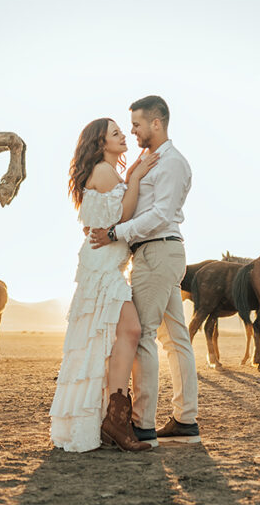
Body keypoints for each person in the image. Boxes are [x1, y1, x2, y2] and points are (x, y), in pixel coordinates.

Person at [89, 95, 199, 446]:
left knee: (145, 336)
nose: (132, 130)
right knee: (175, 338)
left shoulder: (172, 163)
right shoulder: (151, 160)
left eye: (136, 124)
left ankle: (143, 424)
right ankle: (185, 421)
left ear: (156, 122)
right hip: (160, 252)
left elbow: (160, 215)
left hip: (156, 252)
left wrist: (115, 233)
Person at [50, 117, 161, 452]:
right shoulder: (104, 170)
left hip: (104, 264)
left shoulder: (105, 172)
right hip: (102, 269)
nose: (123, 135)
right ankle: (116, 417)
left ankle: (113, 418)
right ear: (100, 143)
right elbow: (123, 217)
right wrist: (136, 176)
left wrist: (130, 178)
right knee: (129, 331)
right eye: (115, 133)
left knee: (111, 340)